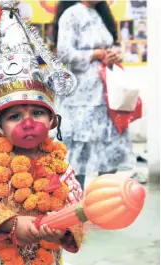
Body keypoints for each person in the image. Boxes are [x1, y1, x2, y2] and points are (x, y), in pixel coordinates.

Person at [0, 4, 83, 265]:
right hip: (0, 258)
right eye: (15, 116)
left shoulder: (59, 164)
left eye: (37, 113)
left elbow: (75, 199)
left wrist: (63, 227)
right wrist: (12, 223)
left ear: (52, 120)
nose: (28, 123)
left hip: (46, 254)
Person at [54, 1, 146, 189]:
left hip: (106, 94)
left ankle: (102, 199)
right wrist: (96, 54)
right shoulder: (71, 15)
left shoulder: (101, 14)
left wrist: (114, 53)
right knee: (78, 150)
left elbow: (110, 44)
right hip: (81, 97)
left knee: (109, 147)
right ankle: (75, 205)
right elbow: (64, 53)